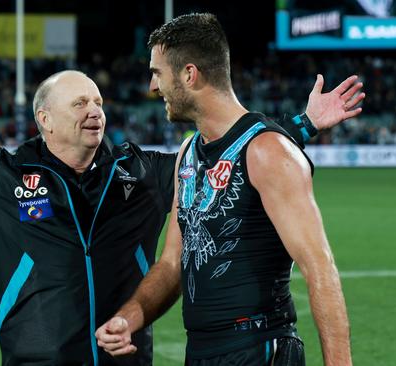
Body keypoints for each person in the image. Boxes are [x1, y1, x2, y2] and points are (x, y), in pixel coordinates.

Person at [0, 66, 361, 365]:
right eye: (79, 103)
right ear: (45, 121)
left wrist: (302, 127)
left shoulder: (142, 172)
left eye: (100, 102)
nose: (95, 111)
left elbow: (227, 165)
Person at [96, 14, 359, 366]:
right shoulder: (187, 156)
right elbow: (172, 263)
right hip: (202, 353)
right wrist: (129, 318)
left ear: (189, 74)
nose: (152, 87)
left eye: (158, 73)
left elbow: (319, 267)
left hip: (260, 348)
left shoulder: (268, 151)